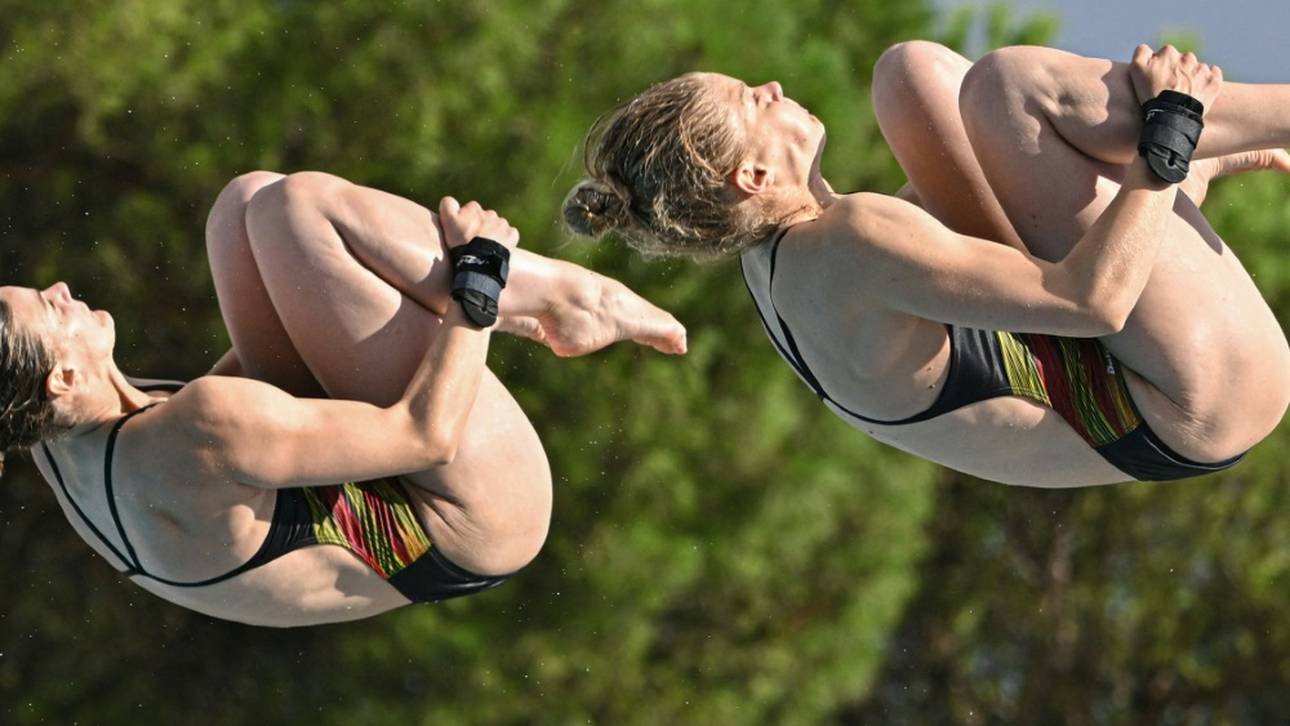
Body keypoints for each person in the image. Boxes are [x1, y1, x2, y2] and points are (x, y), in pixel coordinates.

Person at [564, 43, 1290, 486]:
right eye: (756, 101)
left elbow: (1021, 218)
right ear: (752, 177)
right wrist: (1171, 129)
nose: (776, 88)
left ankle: (1209, 153)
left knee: (910, 76)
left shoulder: (788, 262)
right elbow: (1093, 301)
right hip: (1194, 400)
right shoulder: (845, 243)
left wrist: (1186, 163)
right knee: (1011, 85)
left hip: (1127, 369)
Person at [0, 172, 687, 626]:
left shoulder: (50, 430)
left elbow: (251, 426)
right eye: (48, 308)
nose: (60, 290)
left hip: (383, 480)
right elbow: (426, 435)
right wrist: (480, 279)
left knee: (246, 205)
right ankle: (570, 299)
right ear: (63, 378)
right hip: (473, 519)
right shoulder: (193, 433)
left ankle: (532, 304)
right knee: (300, 211)